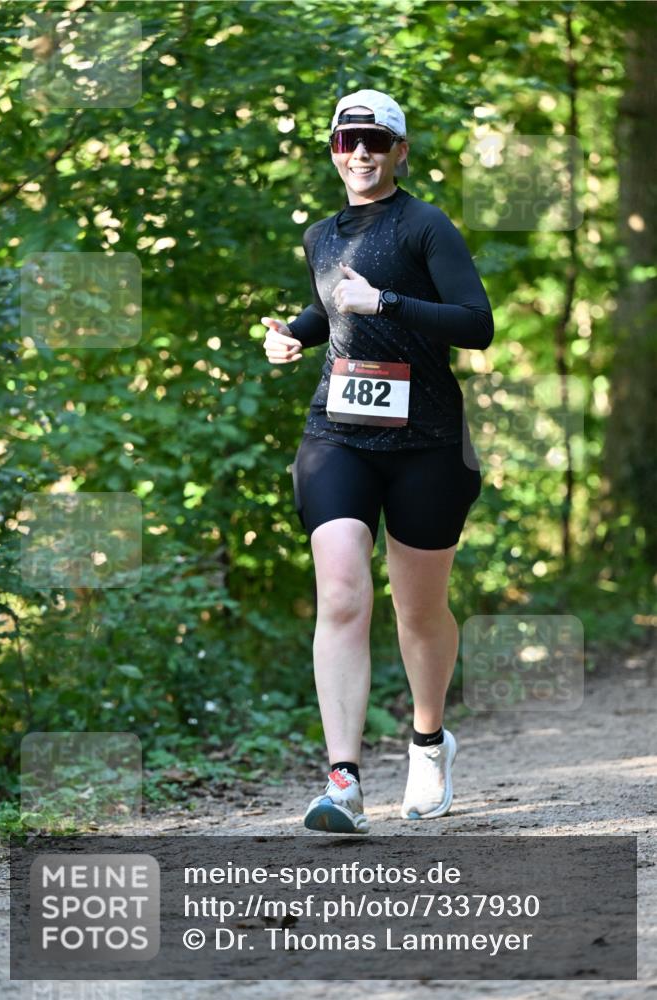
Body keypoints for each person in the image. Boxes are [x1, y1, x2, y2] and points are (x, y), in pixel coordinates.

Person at [261, 89, 493, 835]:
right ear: (331, 151)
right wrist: (292, 335)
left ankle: (428, 743)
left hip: (425, 441)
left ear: (399, 151)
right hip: (338, 433)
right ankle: (343, 781)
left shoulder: (426, 226)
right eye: (345, 141)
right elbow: (331, 305)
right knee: (340, 593)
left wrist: (386, 302)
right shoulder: (319, 235)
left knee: (418, 610)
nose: (358, 152)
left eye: (374, 140)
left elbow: (475, 325)